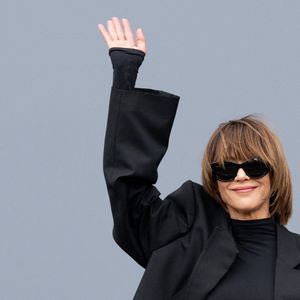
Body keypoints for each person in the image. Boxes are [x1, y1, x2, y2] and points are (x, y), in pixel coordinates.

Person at [98, 17, 300, 300]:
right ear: (215, 181)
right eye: (227, 170)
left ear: (273, 173)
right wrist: (125, 72)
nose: (241, 176)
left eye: (253, 166)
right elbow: (127, 194)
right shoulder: (185, 234)